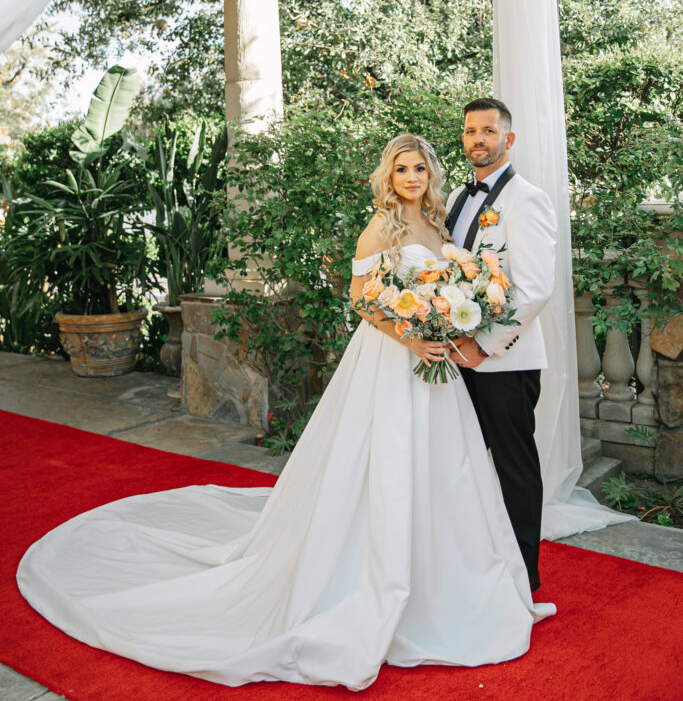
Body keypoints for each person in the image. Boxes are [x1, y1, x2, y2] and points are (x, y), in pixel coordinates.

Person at [17, 133, 554, 692]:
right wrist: (412, 339)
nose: (412, 177)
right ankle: (381, 575)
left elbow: (445, 290)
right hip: (392, 362)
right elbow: (362, 298)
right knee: (388, 463)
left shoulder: (440, 228)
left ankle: (445, 578)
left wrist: (444, 322)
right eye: (402, 169)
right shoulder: (382, 226)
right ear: (388, 176)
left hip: (434, 369)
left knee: (446, 470)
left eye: (420, 168)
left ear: (430, 175)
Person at [445, 99, 557, 592]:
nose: (477, 140)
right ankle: (471, 564)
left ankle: (524, 576)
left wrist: (484, 347)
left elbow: (533, 288)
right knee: (459, 464)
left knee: (513, 467)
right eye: (470, 131)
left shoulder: (527, 199)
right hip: (456, 358)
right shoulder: (453, 196)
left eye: (488, 131)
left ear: (507, 140)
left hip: (504, 361)